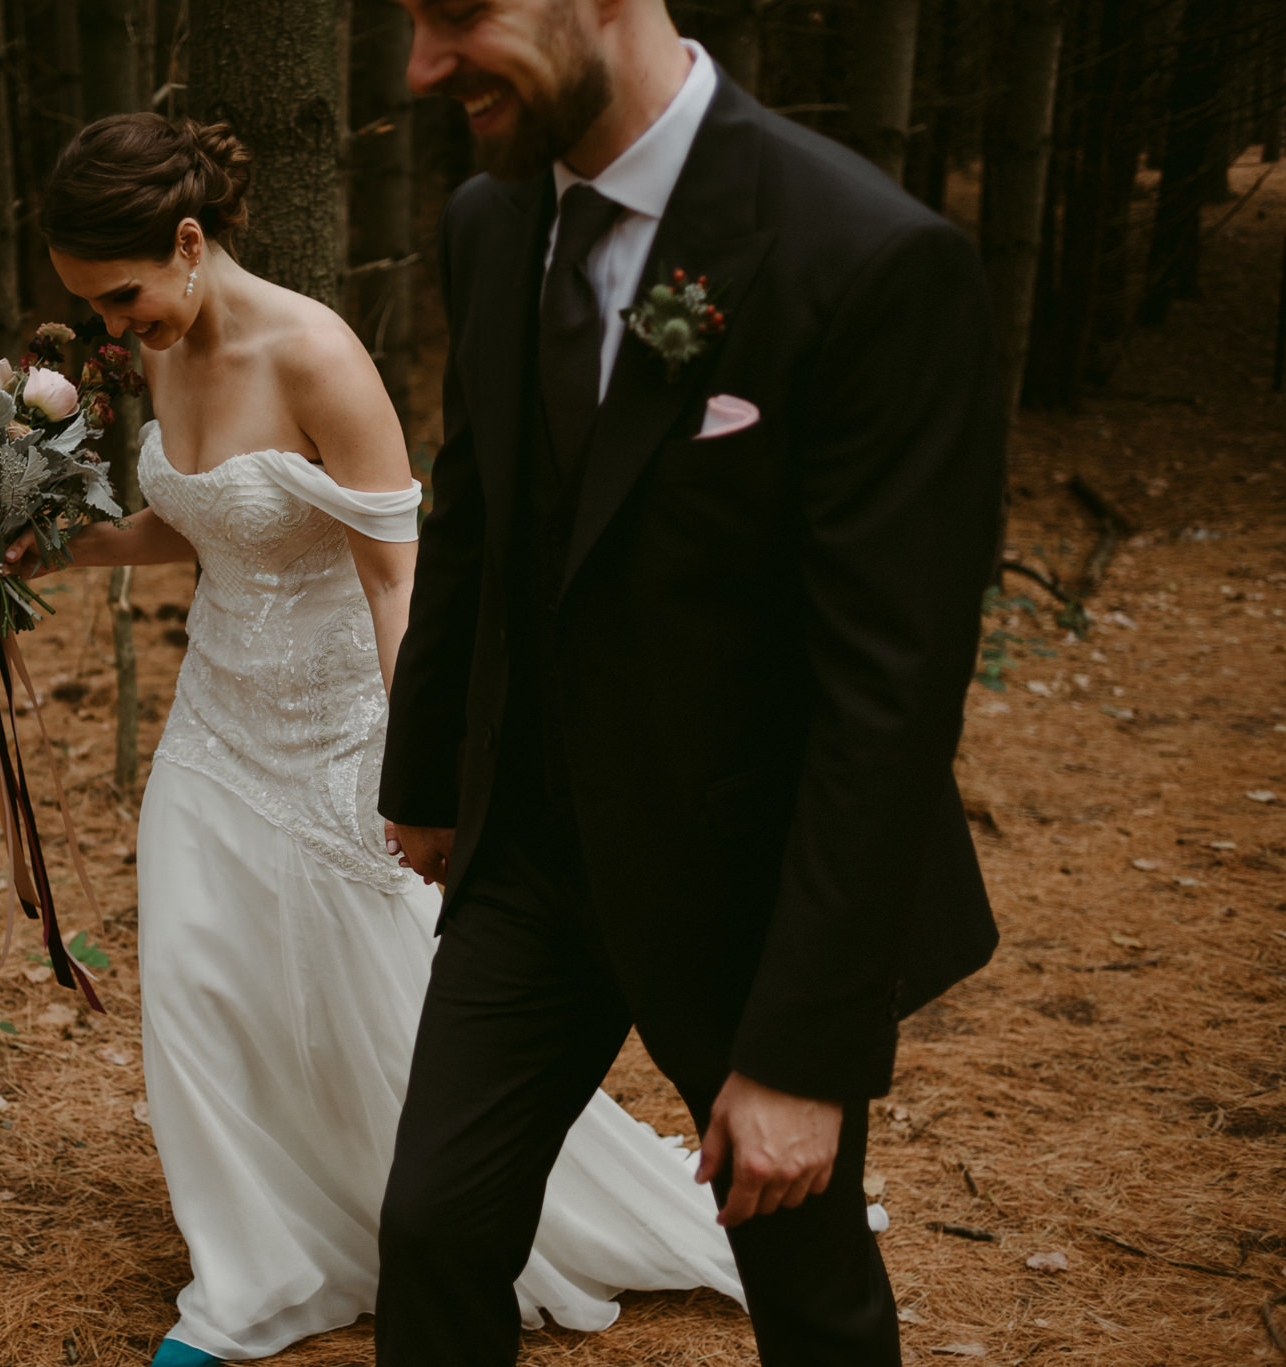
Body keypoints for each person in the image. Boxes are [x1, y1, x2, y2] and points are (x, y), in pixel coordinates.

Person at [0, 112, 742, 1366]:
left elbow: (396, 575)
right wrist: (69, 540)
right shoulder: (158, 349)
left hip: (341, 723)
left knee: (378, 996)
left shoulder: (315, 351)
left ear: (188, 239)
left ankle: (427, 1216)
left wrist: (416, 764)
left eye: (123, 297)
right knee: (200, 985)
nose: (114, 330)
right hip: (215, 721)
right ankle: (252, 1271)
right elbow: (212, 520)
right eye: (91, 310)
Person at [376, 2, 1008, 1365]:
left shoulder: (872, 259)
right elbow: (478, 517)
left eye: (455, 16)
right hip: (535, 860)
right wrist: (427, 779)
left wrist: (803, 1053)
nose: (422, 69)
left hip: (751, 887)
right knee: (430, 1228)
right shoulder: (492, 223)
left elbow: (889, 697)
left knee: (808, 1287)